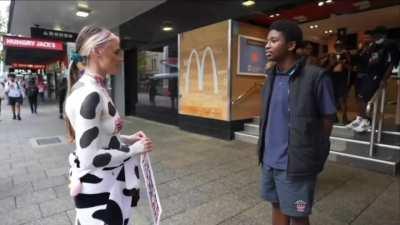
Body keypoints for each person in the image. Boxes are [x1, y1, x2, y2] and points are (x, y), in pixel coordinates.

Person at [65, 25, 154, 225]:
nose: (121, 57)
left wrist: (128, 139)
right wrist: (133, 149)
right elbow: (90, 158)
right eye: (116, 51)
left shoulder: (92, 88)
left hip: (104, 188)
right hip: (101, 194)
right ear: (97, 51)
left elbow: (100, 140)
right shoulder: (91, 94)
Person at [259, 20, 336, 225]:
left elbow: (328, 118)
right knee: (276, 205)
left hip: (296, 163)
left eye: (274, 41)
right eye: (267, 41)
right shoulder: (271, 77)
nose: (267, 45)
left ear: (291, 45)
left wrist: (313, 152)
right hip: (269, 160)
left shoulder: (316, 77)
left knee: (298, 214)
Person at [346, 26, 400, 132]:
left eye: (376, 35)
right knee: (360, 97)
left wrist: (384, 79)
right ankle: (360, 119)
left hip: (378, 75)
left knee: (366, 98)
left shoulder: (390, 44)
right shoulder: (374, 46)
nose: (373, 37)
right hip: (368, 74)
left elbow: (392, 63)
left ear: (382, 35)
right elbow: (365, 59)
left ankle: (366, 122)